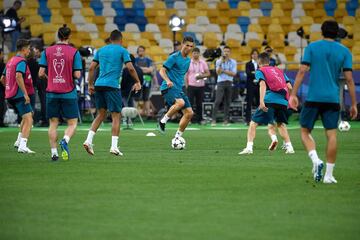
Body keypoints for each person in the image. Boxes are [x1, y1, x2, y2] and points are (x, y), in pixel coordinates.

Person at [290, 20, 357, 184]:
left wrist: (293, 94)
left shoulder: (312, 47)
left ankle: (315, 160)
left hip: (314, 97)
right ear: (337, 33)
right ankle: (329, 175)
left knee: (305, 131)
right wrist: (354, 104)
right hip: (333, 98)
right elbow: (349, 79)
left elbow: (301, 71)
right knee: (332, 135)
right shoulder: (345, 51)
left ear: (322, 31)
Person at [83, 30, 141, 156]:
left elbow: (92, 67)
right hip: (112, 86)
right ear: (121, 40)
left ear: (110, 39)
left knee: (101, 114)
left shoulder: (101, 50)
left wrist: (90, 84)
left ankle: (88, 140)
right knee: (116, 115)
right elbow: (130, 68)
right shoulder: (122, 50)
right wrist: (137, 81)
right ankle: (114, 147)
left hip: (99, 85)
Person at [38, 25, 83, 161]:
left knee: (53, 123)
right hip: (68, 92)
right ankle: (65, 140)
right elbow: (77, 74)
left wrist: (50, 79)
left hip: (51, 92)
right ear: (69, 36)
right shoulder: (74, 52)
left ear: (58, 35)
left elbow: (40, 73)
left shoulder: (47, 51)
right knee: (72, 123)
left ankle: (54, 153)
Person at [239, 52, 294, 155]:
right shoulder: (279, 70)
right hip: (282, 101)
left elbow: (263, 85)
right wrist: (287, 100)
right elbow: (290, 87)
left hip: (269, 100)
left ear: (259, 62)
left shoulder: (260, 71)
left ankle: (249, 148)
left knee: (253, 124)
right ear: (269, 61)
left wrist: (261, 101)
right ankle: (289, 147)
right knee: (281, 124)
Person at [157, 36, 195, 140]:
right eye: (187, 45)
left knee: (189, 113)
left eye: (191, 46)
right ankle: (162, 121)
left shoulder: (188, 61)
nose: (189, 48)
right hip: (168, 87)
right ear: (182, 44)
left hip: (178, 89)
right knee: (181, 103)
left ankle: (177, 137)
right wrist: (168, 80)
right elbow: (162, 70)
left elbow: (181, 75)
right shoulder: (174, 57)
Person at [0, 39, 34, 153]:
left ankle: (19, 141)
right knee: (29, 119)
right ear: (24, 49)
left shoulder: (11, 61)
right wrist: (25, 93)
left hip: (10, 94)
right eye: (28, 49)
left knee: (25, 117)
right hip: (19, 94)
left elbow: (2, 79)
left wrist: (9, 88)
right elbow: (19, 76)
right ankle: (23, 145)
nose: (29, 51)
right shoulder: (21, 61)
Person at [211, 46, 237, 126]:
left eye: (228, 51)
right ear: (223, 53)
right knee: (218, 100)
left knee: (227, 102)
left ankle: (226, 120)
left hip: (229, 82)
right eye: (225, 51)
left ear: (230, 53)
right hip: (220, 82)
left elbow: (233, 73)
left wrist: (223, 71)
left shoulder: (233, 62)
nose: (226, 53)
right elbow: (218, 73)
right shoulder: (219, 61)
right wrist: (222, 63)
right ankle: (213, 120)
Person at [185, 47, 210, 124]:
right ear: (192, 54)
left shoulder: (203, 62)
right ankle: (189, 120)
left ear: (199, 54)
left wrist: (201, 76)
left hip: (201, 86)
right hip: (191, 85)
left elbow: (208, 73)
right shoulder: (188, 62)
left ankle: (200, 120)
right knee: (190, 104)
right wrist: (187, 86)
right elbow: (186, 75)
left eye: (197, 53)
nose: (195, 54)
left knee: (199, 103)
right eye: (194, 53)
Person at [135, 45, 154, 118]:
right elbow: (135, 69)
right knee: (136, 97)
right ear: (137, 52)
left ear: (144, 51)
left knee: (146, 97)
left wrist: (140, 69)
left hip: (147, 80)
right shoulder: (135, 60)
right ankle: (135, 113)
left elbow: (150, 69)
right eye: (139, 50)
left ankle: (148, 113)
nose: (141, 52)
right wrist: (145, 69)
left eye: (142, 50)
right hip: (138, 79)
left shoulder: (149, 60)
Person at [245, 49, 260, 124]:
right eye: (253, 54)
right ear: (251, 55)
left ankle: (259, 120)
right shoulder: (248, 64)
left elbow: (262, 73)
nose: (254, 55)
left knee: (259, 103)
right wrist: (257, 74)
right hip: (250, 85)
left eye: (256, 54)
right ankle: (248, 120)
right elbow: (248, 73)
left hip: (259, 86)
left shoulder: (260, 64)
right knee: (249, 103)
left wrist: (254, 73)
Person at [0, 48, 7, 127]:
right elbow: (2, 79)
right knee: (1, 106)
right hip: (1, 89)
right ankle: (0, 122)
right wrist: (6, 87)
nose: (3, 56)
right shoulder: (2, 65)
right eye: (2, 54)